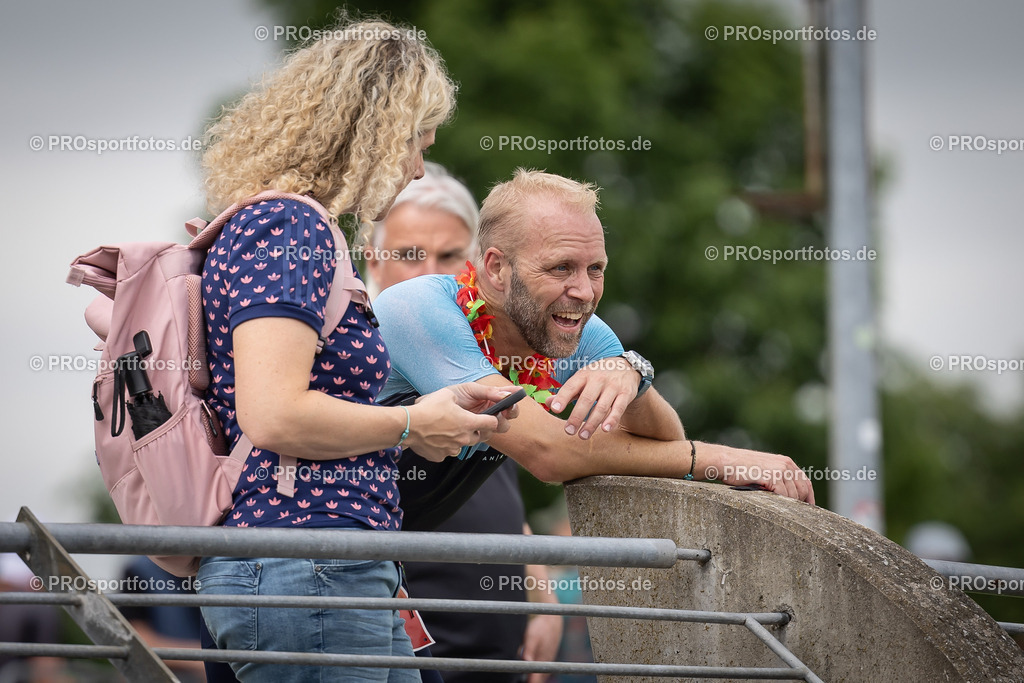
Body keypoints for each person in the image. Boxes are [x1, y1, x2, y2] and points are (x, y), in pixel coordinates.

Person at [196, 19, 519, 683]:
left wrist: (429, 411)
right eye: (412, 141)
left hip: (334, 563)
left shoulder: (290, 222)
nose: (417, 167)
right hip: (306, 563)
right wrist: (411, 422)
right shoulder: (292, 223)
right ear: (370, 128)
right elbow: (275, 415)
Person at [373, 168, 816, 503]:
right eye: (560, 267)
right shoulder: (417, 307)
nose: (583, 292)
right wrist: (723, 460)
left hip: (385, 555)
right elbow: (548, 453)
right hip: (319, 551)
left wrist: (631, 374)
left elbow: (664, 448)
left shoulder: (569, 325)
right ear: (495, 267)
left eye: (596, 269)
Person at [365, 163, 563, 682]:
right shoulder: (354, 354)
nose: (429, 271)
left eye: (449, 256)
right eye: (410, 255)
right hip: (414, 636)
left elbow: (499, 470)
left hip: (500, 641)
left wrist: (537, 580)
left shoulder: (487, 343)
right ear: (373, 260)